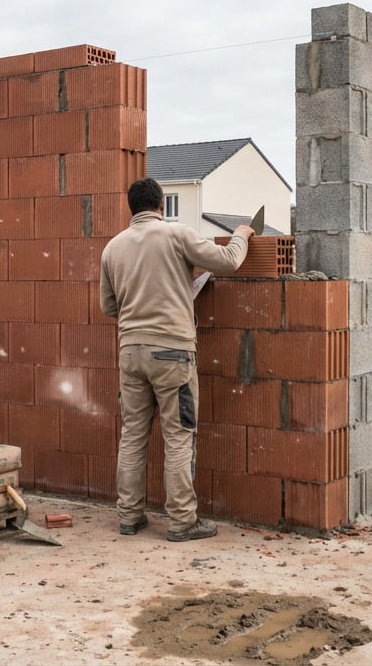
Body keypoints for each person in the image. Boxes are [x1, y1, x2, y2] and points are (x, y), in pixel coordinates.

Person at [98, 177, 255, 541]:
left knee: (133, 437)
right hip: (172, 354)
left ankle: (129, 516)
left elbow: (109, 306)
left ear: (131, 207)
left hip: (130, 353)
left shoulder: (112, 248)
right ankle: (182, 521)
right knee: (179, 438)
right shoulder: (176, 235)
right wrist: (242, 234)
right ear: (159, 205)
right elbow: (229, 261)